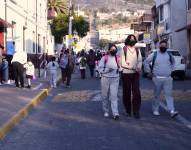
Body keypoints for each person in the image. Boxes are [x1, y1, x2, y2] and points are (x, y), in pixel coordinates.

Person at [144, 40, 178, 118]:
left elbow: (173, 63)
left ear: (167, 46)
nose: (163, 47)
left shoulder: (169, 55)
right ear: (159, 46)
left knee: (169, 95)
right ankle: (155, 110)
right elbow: (146, 62)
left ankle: (172, 110)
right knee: (156, 95)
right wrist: (149, 71)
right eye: (161, 45)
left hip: (168, 79)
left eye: (164, 45)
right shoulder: (154, 54)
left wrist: (171, 70)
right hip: (157, 78)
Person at [120, 34, 142, 119]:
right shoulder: (124, 49)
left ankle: (136, 111)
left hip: (136, 74)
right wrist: (132, 67)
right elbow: (122, 63)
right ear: (128, 40)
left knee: (136, 93)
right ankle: (128, 110)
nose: (132, 40)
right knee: (127, 93)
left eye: (134, 39)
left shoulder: (137, 50)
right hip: (126, 73)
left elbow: (140, 60)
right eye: (131, 39)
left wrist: (139, 67)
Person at [99, 43, 120, 120]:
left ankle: (115, 113)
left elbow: (120, 67)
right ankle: (106, 110)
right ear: (109, 50)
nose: (113, 50)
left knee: (114, 96)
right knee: (105, 96)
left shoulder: (118, 58)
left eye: (115, 49)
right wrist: (107, 70)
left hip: (115, 79)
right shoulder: (104, 58)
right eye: (112, 49)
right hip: (105, 78)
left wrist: (121, 68)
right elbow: (99, 69)